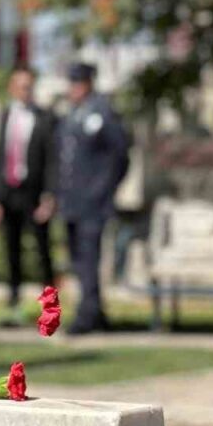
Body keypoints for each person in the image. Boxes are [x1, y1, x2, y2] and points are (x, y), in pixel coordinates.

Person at [56, 61, 129, 334]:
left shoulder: (103, 113)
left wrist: (104, 189)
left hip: (93, 202)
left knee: (89, 259)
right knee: (78, 260)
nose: (73, 88)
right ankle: (95, 311)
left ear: (88, 83)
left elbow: (120, 156)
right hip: (72, 202)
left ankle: (87, 315)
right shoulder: (72, 115)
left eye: (78, 83)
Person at [0, 66, 59, 314]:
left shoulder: (46, 117)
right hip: (9, 192)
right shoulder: (6, 115)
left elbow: (52, 160)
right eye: (20, 85)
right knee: (11, 249)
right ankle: (14, 302)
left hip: (34, 193)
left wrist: (49, 197)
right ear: (12, 88)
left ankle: (50, 305)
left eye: (29, 86)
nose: (25, 90)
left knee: (42, 250)